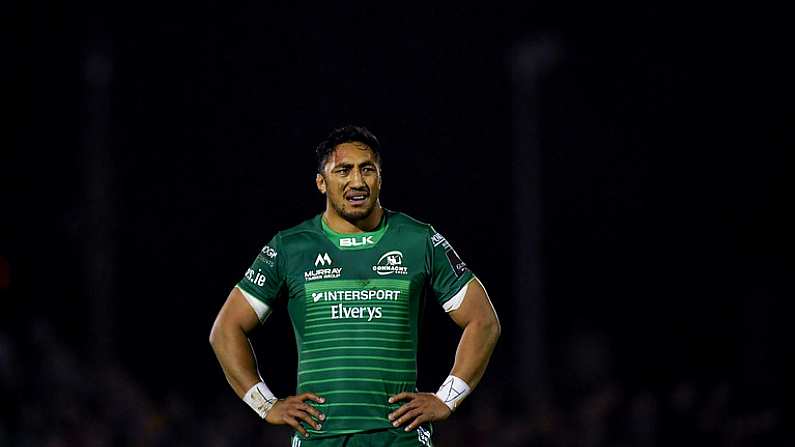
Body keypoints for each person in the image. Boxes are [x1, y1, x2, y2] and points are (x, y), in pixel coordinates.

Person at [209, 125, 500, 446]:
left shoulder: (419, 240)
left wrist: (447, 398)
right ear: (321, 182)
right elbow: (226, 330)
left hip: (399, 438)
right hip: (319, 438)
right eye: (343, 170)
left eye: (368, 170)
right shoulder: (290, 247)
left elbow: (483, 321)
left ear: (380, 177)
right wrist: (266, 404)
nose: (357, 181)